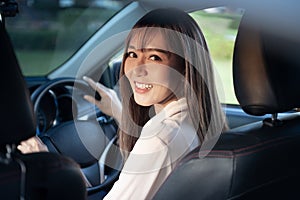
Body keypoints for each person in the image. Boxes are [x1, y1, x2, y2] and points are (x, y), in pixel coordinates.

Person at [18, 8, 227, 199]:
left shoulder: (161, 139)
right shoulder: (196, 121)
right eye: (132, 54)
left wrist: (47, 160)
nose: (136, 69)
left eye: (154, 57)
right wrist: (120, 114)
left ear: (186, 67)